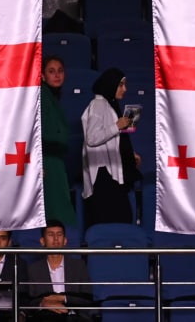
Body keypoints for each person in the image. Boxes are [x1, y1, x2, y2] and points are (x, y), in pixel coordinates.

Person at [81, 68, 141, 226]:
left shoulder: (110, 104)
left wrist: (130, 155)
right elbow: (92, 138)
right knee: (113, 219)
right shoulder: (98, 104)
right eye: (121, 85)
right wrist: (117, 126)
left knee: (121, 218)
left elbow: (114, 140)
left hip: (110, 171)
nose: (125, 89)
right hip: (104, 173)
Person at [24, 220, 94, 320]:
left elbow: (88, 299)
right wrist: (43, 304)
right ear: (42, 241)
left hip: (73, 317)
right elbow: (28, 301)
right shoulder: (33, 269)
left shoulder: (79, 266)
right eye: (51, 234)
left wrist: (63, 298)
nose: (56, 238)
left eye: (59, 234)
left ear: (65, 240)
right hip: (45, 317)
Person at [39, 56, 78, 229]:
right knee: (55, 209)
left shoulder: (51, 97)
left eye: (60, 71)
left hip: (56, 161)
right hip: (47, 162)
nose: (57, 75)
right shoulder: (42, 95)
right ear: (42, 75)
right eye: (51, 71)